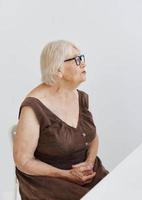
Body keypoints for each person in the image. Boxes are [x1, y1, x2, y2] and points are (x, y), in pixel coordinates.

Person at [13, 40, 109, 200]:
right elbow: (23, 161)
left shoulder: (80, 97)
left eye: (82, 57)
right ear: (58, 69)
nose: (83, 64)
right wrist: (66, 175)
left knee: (118, 190)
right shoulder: (33, 107)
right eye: (77, 59)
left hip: (86, 172)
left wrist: (90, 162)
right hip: (49, 179)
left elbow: (92, 137)